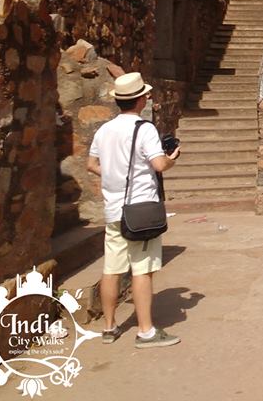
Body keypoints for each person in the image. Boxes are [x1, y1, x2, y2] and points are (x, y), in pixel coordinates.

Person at [86, 72, 181, 348]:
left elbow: (91, 164)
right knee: (142, 270)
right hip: (140, 209)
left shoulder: (104, 130)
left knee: (111, 268)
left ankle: (109, 326)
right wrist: (172, 158)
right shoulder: (144, 129)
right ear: (140, 100)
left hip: (114, 209)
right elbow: (159, 165)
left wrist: (113, 176)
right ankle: (146, 331)